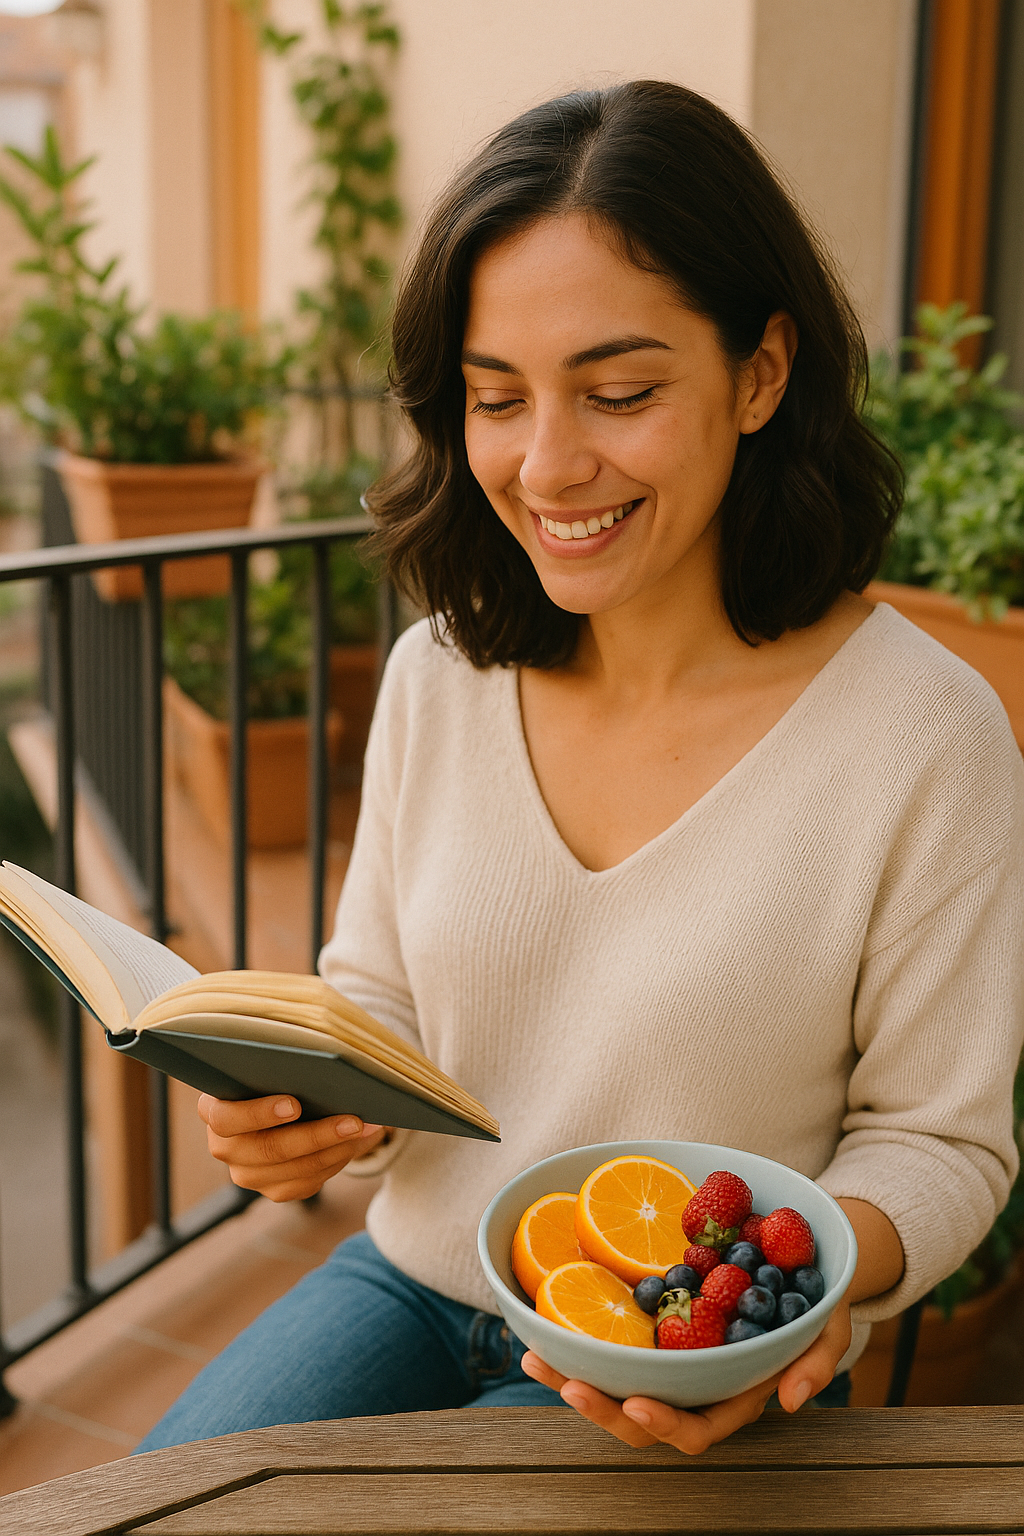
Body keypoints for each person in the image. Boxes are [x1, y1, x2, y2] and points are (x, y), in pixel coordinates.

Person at [136, 81, 1024, 1458]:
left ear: (761, 373)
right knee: (160, 1497)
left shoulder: (925, 732)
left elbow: (943, 1145)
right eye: (497, 399)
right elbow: (377, 991)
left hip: (683, 1349)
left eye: (618, 392)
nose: (547, 466)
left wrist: (780, 1305)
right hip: (415, 1280)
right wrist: (311, 1110)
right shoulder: (444, 673)